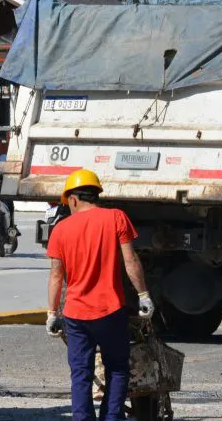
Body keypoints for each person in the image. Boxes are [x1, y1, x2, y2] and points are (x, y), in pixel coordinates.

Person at [46, 169, 154, 421]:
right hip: (110, 311)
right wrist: (143, 295)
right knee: (117, 368)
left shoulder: (60, 229)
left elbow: (56, 276)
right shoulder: (116, 217)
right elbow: (130, 260)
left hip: (75, 314)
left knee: (80, 373)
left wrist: (52, 313)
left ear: (73, 199)